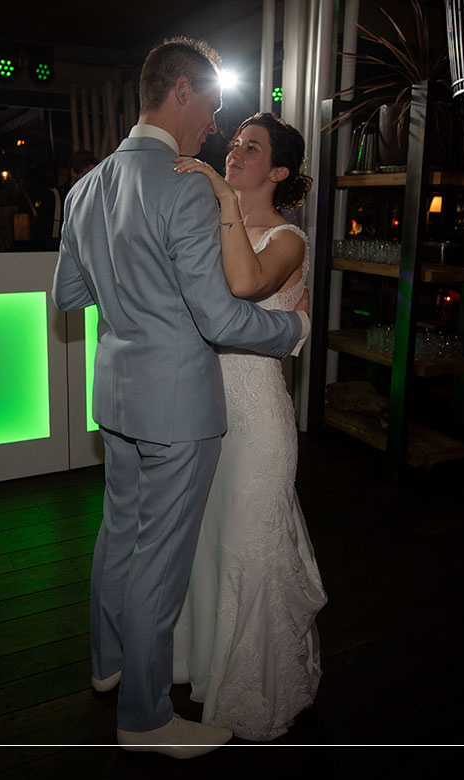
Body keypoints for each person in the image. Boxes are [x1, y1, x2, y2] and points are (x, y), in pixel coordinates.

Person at [52, 37, 310, 758]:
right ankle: (144, 716)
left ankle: (106, 665)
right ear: (184, 91)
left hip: (117, 394)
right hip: (178, 406)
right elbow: (220, 319)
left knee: (118, 535)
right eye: (212, 107)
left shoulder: (86, 186)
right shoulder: (185, 186)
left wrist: (132, 294)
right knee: (160, 562)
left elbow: (69, 294)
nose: (213, 127)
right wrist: (291, 326)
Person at [169, 112, 327, 741]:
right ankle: (198, 668)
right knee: (204, 546)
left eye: (250, 148)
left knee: (247, 548)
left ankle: (253, 694)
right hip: (202, 408)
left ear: (279, 171)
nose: (234, 152)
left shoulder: (290, 240)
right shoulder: (211, 222)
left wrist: (219, 193)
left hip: (258, 418)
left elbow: (244, 282)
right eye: (232, 143)